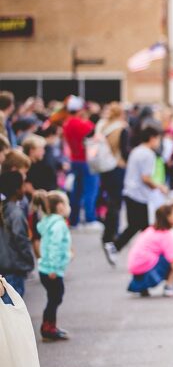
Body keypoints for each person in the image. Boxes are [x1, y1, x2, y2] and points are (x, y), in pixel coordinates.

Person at [104, 126, 168, 265]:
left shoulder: (136, 151)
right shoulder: (148, 154)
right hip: (139, 194)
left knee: (137, 225)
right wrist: (159, 187)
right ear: (152, 138)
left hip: (130, 191)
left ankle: (118, 247)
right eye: (158, 139)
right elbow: (145, 177)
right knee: (143, 226)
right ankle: (139, 252)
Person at [126, 202, 173, 297]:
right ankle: (169, 286)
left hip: (136, 270)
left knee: (168, 254)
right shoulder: (165, 235)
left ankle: (144, 287)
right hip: (148, 271)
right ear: (168, 217)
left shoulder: (151, 229)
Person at [37, 190, 72, 341]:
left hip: (45, 267)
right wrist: (53, 268)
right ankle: (47, 328)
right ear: (59, 206)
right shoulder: (58, 224)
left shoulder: (48, 221)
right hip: (51, 269)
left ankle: (51, 325)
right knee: (55, 297)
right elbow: (55, 246)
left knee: (54, 297)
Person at [62, 95, 101, 229]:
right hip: (86, 161)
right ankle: (90, 219)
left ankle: (74, 220)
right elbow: (96, 135)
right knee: (91, 190)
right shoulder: (82, 124)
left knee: (76, 192)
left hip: (75, 160)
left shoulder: (67, 123)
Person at [94, 102, 130, 246]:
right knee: (116, 202)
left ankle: (107, 233)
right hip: (117, 166)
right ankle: (112, 233)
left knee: (109, 201)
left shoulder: (102, 126)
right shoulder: (121, 128)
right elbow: (124, 151)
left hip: (104, 167)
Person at [0, 172, 35, 297]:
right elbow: (21, 240)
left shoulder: (4, 209)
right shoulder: (15, 213)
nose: (25, 188)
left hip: (4, 267)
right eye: (23, 185)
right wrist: (29, 261)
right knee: (13, 309)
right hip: (13, 268)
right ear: (17, 189)